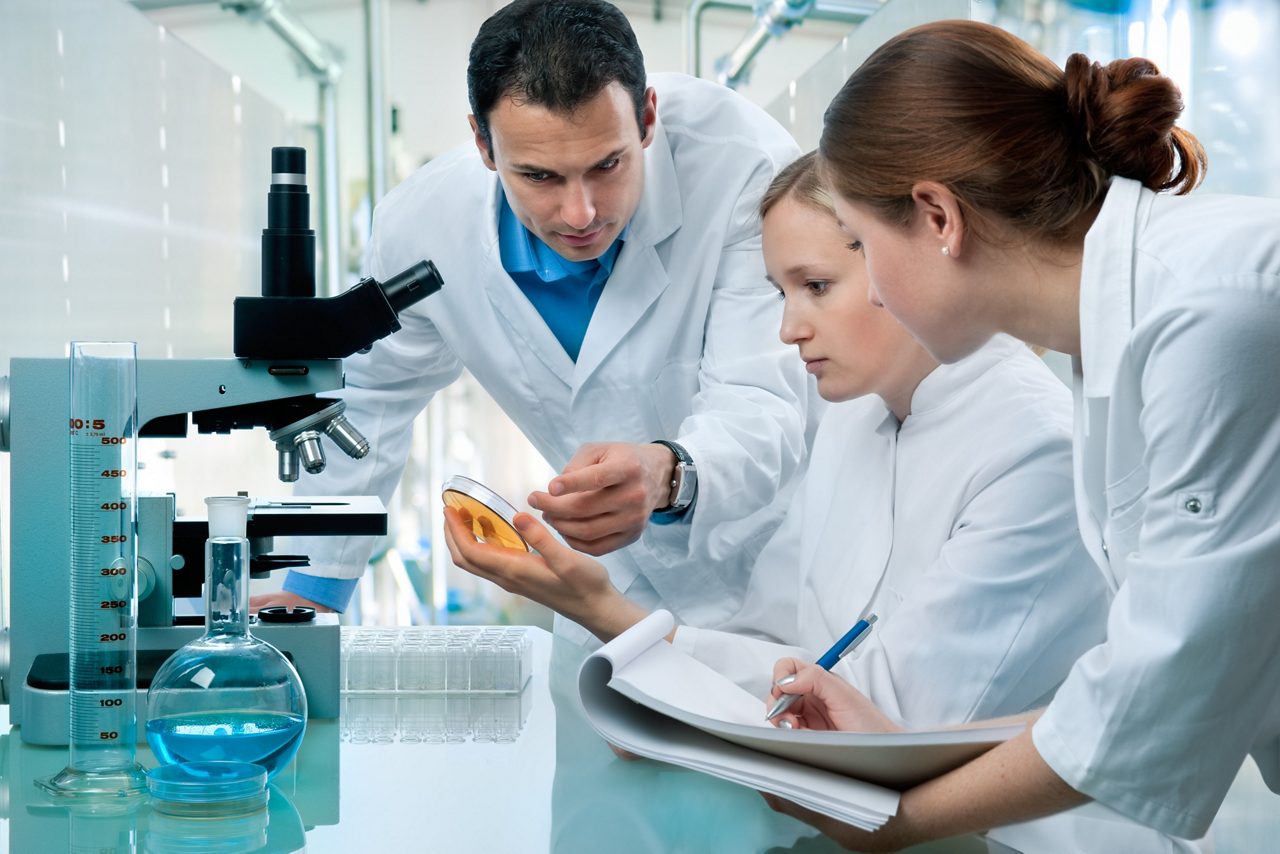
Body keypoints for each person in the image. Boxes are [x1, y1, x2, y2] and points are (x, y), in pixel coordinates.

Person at [762, 19, 1280, 851]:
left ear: (938, 216)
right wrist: (896, 751)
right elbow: (1143, 681)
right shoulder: (1118, 342)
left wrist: (894, 820)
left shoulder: (1209, 311)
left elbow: (1159, 694)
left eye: (861, 243)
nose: (872, 291)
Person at [444, 150, 1109, 739]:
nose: (790, 329)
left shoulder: (1034, 454)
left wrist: (611, 616)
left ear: (909, 256)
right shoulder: (855, 418)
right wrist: (636, 650)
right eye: (782, 292)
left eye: (816, 287)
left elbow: (886, 723)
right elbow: (778, 643)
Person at [253, 0, 810, 640]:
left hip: (778, 566)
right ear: (483, 144)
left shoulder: (743, 166)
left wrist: (667, 473)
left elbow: (763, 401)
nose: (580, 212)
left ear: (648, 117)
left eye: (608, 165)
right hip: (608, 583)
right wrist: (312, 594)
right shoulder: (424, 226)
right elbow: (372, 401)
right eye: (539, 175)